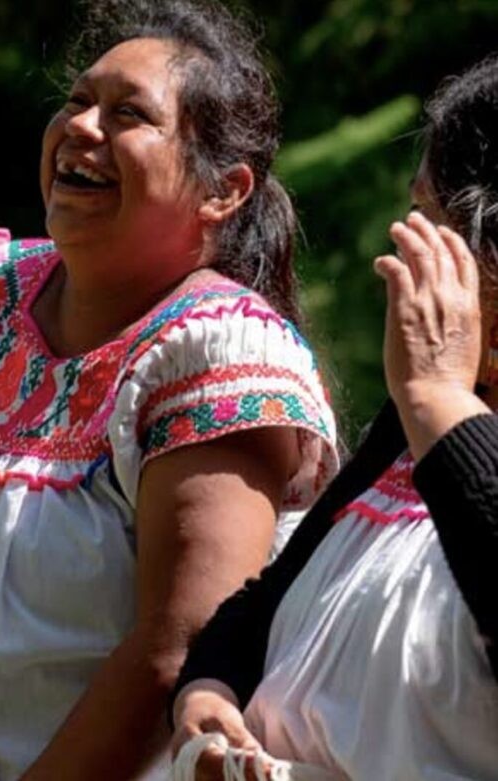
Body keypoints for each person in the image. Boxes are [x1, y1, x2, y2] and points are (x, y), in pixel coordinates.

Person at [0, 1, 340, 779]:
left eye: (127, 114)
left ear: (223, 191)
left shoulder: (220, 354)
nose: (82, 127)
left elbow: (176, 648)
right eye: (77, 100)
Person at [171, 54, 498, 781]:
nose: (402, 252)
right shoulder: (414, 430)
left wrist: (440, 400)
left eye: (429, 222)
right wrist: (209, 686)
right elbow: (272, 594)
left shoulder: (442, 414)